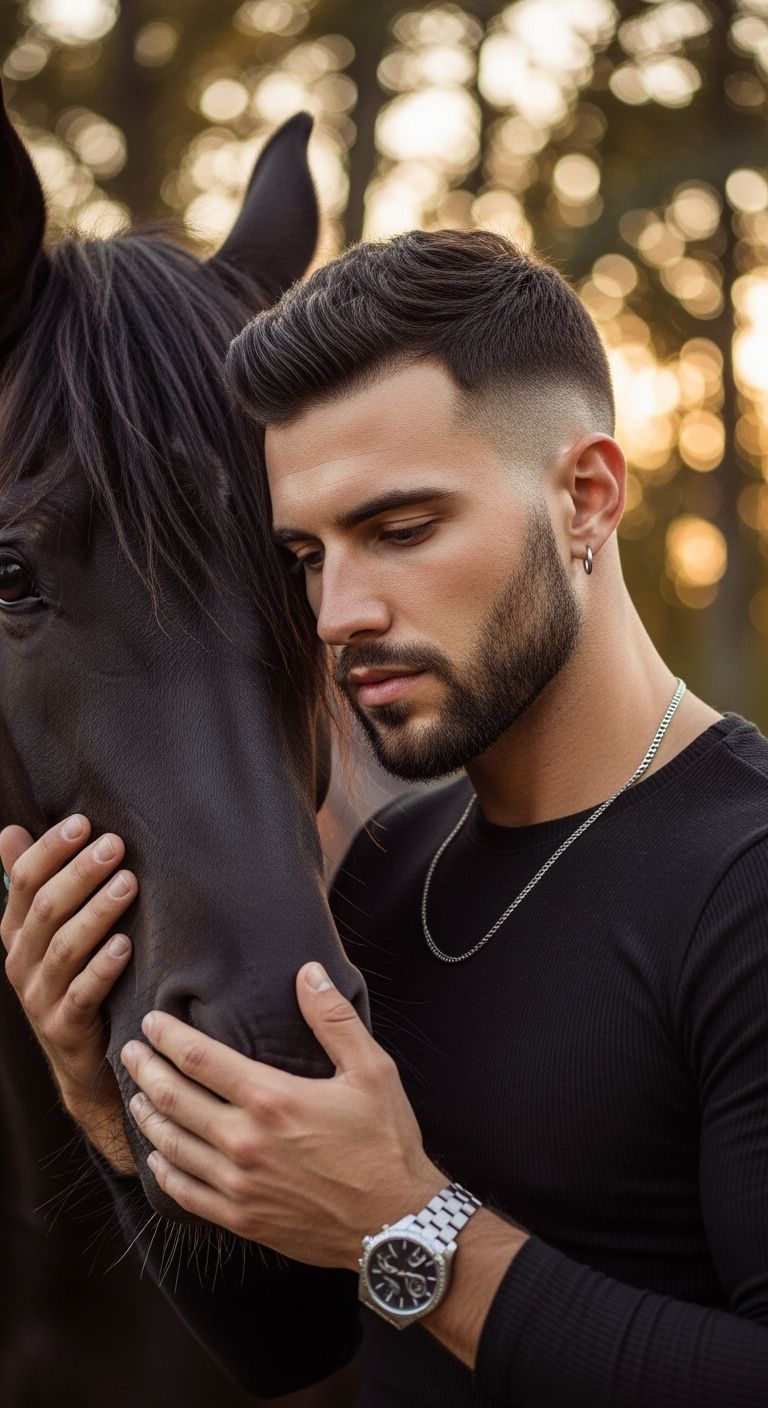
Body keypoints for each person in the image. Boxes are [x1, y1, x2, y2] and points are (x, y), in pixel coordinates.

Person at [3, 229, 768, 1407]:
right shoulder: (384, 875)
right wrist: (102, 1103)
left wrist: (405, 1221)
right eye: (303, 556)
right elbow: (295, 1344)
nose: (336, 613)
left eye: (400, 531)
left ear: (587, 498)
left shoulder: (745, 882)